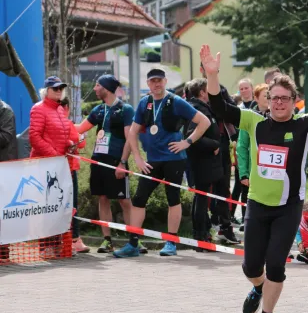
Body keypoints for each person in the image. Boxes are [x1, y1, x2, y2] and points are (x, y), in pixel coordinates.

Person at [201, 44, 308, 313]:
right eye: (273, 98)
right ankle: (257, 286)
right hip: (257, 203)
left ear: (295, 101)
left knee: (276, 263)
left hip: (288, 206)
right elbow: (220, 107)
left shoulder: (305, 124)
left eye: (284, 98)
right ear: (266, 100)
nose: (278, 103)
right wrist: (212, 75)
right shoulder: (254, 122)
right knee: (251, 266)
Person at [113, 67, 212, 258]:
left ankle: (171, 242)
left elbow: (204, 122)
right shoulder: (145, 103)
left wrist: (187, 142)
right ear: (148, 84)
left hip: (174, 160)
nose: (156, 84)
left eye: (159, 80)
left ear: (165, 81)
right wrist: (138, 158)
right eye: (152, 81)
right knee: (139, 199)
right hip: (151, 161)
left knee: (172, 198)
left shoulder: (176, 102)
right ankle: (133, 243)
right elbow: (132, 132)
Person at [75, 75, 143, 254]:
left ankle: (134, 240)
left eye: (97, 85)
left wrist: (122, 163)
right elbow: (79, 129)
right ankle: (107, 241)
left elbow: (130, 138)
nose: (95, 88)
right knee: (102, 198)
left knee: (124, 201)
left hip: (116, 161)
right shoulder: (98, 110)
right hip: (98, 160)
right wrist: (59, 124)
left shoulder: (125, 109)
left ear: (106, 88)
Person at [29, 76, 81, 258]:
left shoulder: (60, 109)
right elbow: (34, 137)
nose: (59, 91)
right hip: (46, 165)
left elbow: (62, 135)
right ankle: (45, 247)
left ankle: (59, 243)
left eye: (61, 89)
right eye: (55, 88)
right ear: (46, 90)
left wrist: (69, 143)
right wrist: (54, 155)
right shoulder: (38, 109)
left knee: (61, 205)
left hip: (61, 165)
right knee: (47, 207)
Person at [184, 78, 232, 249]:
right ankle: (201, 237)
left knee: (203, 197)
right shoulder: (196, 110)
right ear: (202, 92)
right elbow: (192, 137)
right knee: (201, 198)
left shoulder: (203, 108)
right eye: (208, 90)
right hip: (200, 162)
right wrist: (215, 144)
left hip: (207, 162)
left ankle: (203, 235)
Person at [233, 83, 270, 231]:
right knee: (247, 195)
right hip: (253, 169)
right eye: (265, 96)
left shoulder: (277, 116)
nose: (269, 98)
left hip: (271, 171)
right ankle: (246, 221)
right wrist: (243, 172)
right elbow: (242, 147)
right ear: (256, 98)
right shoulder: (249, 117)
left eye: (270, 95)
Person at [59, 97, 90, 255]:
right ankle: (75, 240)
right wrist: (81, 137)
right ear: (66, 108)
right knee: (72, 205)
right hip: (69, 169)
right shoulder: (66, 122)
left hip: (55, 170)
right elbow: (81, 142)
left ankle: (57, 242)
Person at [0, 96, 17, 261]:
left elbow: (5, 137)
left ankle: (3, 252)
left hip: (4, 169)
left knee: (3, 212)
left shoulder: (5, 111)